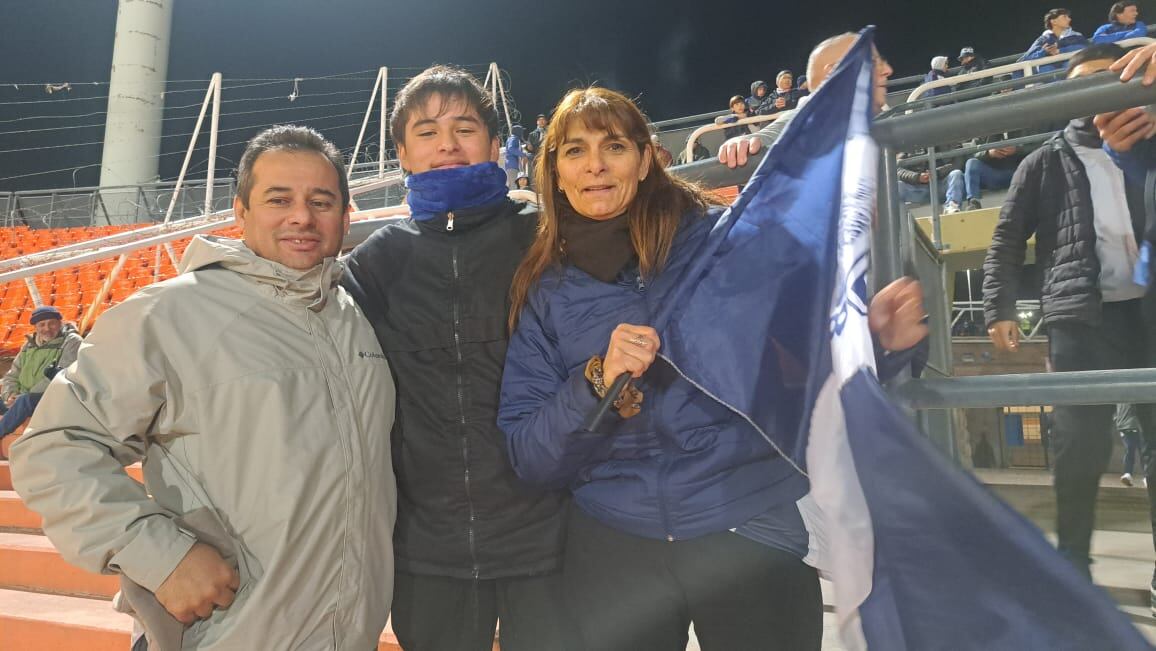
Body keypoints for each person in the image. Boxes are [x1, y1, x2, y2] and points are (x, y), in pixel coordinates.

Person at [498, 86, 927, 651]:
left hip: (747, 518)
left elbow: (808, 369)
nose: (595, 166)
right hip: (616, 537)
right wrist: (596, 382)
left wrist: (881, 343)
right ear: (553, 172)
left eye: (615, 146)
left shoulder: (727, 240)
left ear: (647, 158)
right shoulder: (545, 290)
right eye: (574, 151)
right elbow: (528, 451)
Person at [10, 125, 397, 649]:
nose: (302, 216)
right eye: (278, 199)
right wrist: (158, 554)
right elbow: (54, 446)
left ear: (345, 215)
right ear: (240, 213)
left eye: (321, 201)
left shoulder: (358, 318)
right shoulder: (166, 313)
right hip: (222, 635)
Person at [341, 65, 578, 651]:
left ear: (496, 145)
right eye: (426, 131)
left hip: (552, 535)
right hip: (427, 547)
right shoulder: (373, 265)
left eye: (464, 128)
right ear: (401, 153)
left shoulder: (549, 240)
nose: (446, 144)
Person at [983, 43, 1149, 580]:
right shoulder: (1046, 160)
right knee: (1078, 447)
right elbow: (1006, 239)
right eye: (1085, 87)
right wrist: (998, 307)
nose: (1099, 97)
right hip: (1081, 319)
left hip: (1149, 316)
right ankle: (1073, 564)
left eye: (1110, 81)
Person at [719, 32, 894, 168]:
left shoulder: (878, 113)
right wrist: (741, 142)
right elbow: (776, 130)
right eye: (872, 63)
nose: (887, 70)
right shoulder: (810, 115)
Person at [0, 305, 82, 449]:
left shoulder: (72, 341)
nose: (47, 328)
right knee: (14, 400)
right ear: (35, 327)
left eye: (52, 323)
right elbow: (12, 374)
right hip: (22, 398)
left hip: (54, 396)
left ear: (60, 322)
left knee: (25, 401)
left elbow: (61, 375)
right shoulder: (29, 345)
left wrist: (22, 397)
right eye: (42, 324)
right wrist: (10, 395)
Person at [962, 128, 1029, 210]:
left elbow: (1037, 147)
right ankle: (974, 202)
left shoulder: (1022, 125)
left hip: (1017, 173)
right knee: (971, 162)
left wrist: (1017, 150)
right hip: (992, 174)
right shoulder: (983, 128)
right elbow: (970, 153)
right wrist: (988, 153)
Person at [1020, 8, 1089, 73]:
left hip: (1073, 73)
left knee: (1068, 64)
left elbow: (1086, 48)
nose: (1069, 19)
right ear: (1053, 21)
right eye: (1064, 17)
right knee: (1046, 67)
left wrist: (1059, 51)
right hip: (1050, 77)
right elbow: (1026, 58)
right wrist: (1044, 52)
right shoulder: (1043, 39)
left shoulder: (1076, 36)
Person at [897, 150, 965, 212]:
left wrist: (936, 173)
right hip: (918, 189)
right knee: (896, 186)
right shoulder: (907, 147)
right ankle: (899, 218)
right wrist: (917, 177)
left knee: (956, 173)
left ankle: (951, 207)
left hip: (939, 186)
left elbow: (957, 163)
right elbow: (898, 169)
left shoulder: (941, 141)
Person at [1117, 403, 1143, 486]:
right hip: (1135, 425)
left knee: (1130, 450)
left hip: (1125, 425)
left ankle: (1127, 474)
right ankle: (1147, 476)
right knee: (1143, 451)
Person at [504, 124, 530, 188]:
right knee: (514, 186)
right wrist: (523, 155)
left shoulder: (515, 139)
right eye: (521, 131)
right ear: (518, 132)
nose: (522, 133)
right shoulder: (514, 138)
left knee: (513, 185)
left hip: (512, 165)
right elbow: (511, 148)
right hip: (512, 165)